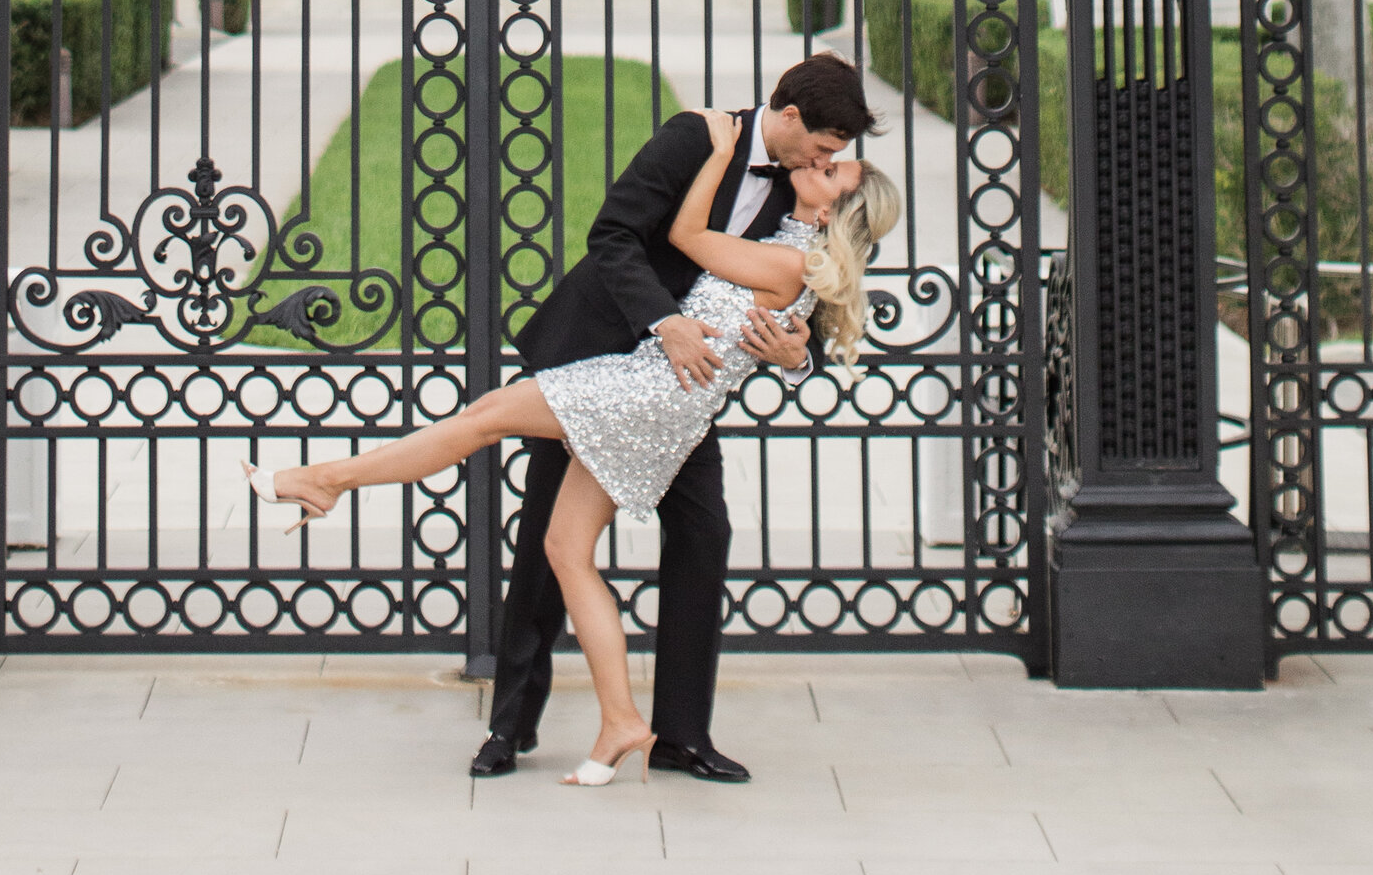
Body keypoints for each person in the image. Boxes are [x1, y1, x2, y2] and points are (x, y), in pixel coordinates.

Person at [244, 54, 893, 784]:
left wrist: (793, 353)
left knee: (700, 535)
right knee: (548, 549)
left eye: (835, 160)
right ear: (793, 115)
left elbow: (797, 297)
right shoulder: (696, 139)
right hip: (607, 352)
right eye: (827, 147)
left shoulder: (804, 199)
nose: (829, 160)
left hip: (678, 391)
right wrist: (663, 322)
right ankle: (512, 729)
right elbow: (613, 235)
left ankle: (677, 734)